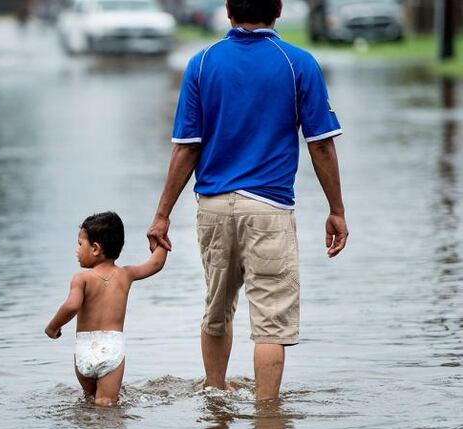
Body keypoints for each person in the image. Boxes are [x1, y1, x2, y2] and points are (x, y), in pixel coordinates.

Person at [146, 0, 348, 401]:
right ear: (278, 9)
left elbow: (186, 148)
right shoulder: (299, 63)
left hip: (213, 207)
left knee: (216, 309)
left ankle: (215, 401)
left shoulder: (201, 64)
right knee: (271, 321)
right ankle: (268, 414)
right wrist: (336, 210)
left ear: (227, 10)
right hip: (269, 208)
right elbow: (320, 145)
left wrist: (162, 215)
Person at [45, 212, 168, 406]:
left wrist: (52, 327)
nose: (77, 250)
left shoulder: (81, 278)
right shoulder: (126, 274)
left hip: (84, 350)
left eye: (80, 244)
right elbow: (156, 263)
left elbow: (71, 305)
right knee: (106, 404)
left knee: (90, 401)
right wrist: (160, 239)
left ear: (95, 248)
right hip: (112, 349)